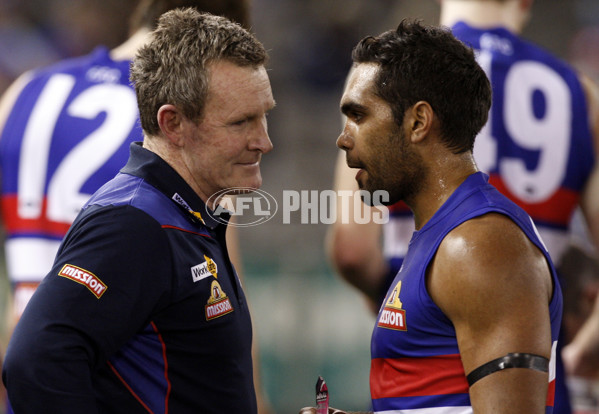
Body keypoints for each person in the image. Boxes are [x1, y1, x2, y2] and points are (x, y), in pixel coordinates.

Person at [326, 0, 599, 411]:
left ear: (419, 122)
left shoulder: (479, 248)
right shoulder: (577, 93)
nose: (344, 138)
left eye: (358, 116)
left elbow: (352, 249)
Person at [2, 8, 275, 413]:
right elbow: (35, 359)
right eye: (241, 122)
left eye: (264, 117)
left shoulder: (26, 92)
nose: (263, 142)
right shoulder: (139, 216)